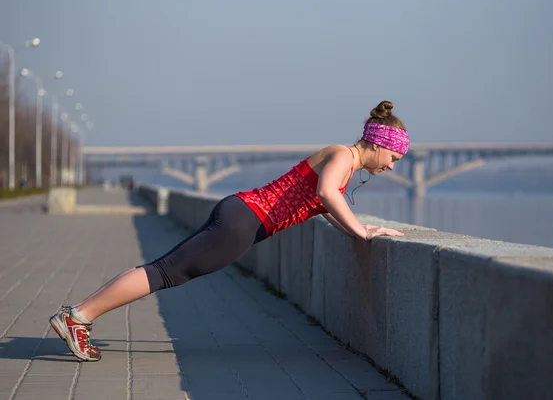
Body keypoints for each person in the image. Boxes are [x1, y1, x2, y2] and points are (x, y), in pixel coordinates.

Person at [49, 100, 411, 361]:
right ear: (379, 145)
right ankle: (78, 317)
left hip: (242, 212)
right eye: (394, 159)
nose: (392, 167)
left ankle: (79, 313)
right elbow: (326, 194)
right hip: (246, 220)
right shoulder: (344, 156)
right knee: (163, 272)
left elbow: (321, 205)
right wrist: (362, 235)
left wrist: (357, 228)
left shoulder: (341, 159)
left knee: (163, 267)